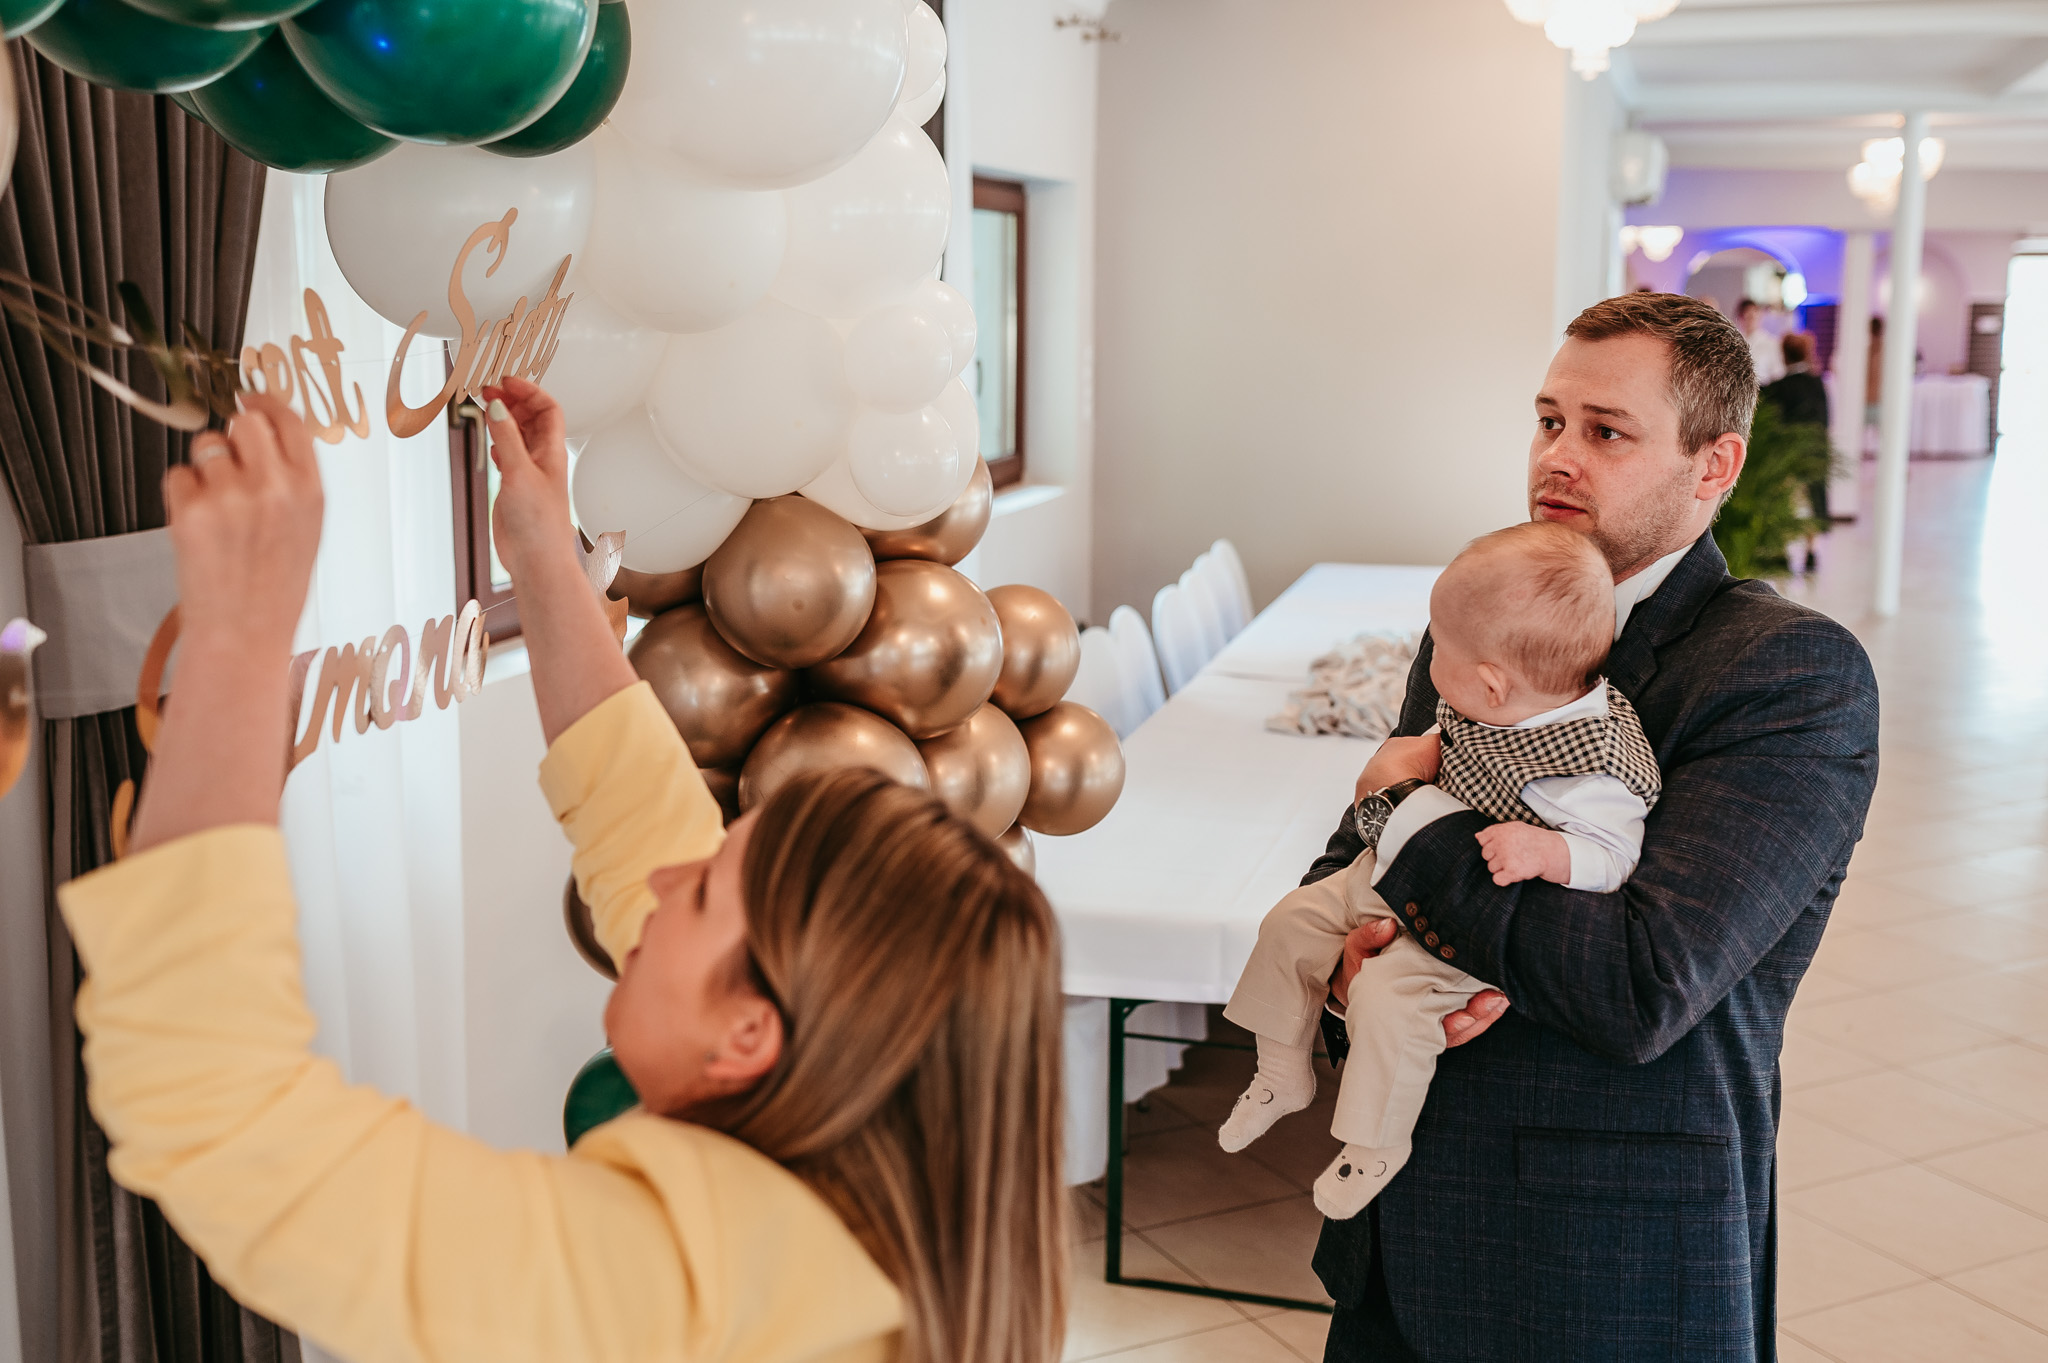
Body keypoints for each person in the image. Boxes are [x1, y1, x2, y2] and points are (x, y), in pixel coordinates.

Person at [55, 381, 1069, 1363]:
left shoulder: (680, 1287)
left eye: (705, 892)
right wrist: (545, 553)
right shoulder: (875, 1204)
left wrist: (237, 632)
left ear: (750, 1034)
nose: (668, 882)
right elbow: (648, 823)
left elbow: (223, 1108)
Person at [1308, 292, 1879, 1362]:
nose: (1556, 457)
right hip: (1395, 1240)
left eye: (1606, 432)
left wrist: (1414, 822)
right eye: (1548, 421)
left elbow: (1638, 982)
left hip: (1598, 1270)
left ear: (1713, 465)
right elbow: (1351, 863)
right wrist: (1344, 971)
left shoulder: (1785, 672)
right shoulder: (1488, 608)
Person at [1217, 523, 1661, 1222]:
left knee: (1389, 1001)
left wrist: (1545, 852)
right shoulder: (1495, 696)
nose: (1430, 665)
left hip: (1462, 930)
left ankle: (1373, 1144)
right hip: (1384, 872)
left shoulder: (1590, 761)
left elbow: (1616, 856)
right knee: (1291, 921)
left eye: (1441, 653)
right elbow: (1437, 750)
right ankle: (1279, 1068)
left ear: (1490, 682)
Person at [1761, 331, 1833, 524]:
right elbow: (1825, 420)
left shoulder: (1778, 388)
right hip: (1816, 450)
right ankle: (1814, 537)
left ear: (1784, 355)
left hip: (1787, 454)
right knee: (1814, 496)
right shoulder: (1817, 384)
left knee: (1787, 497)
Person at [1736, 298, 1784, 385]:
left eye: (1752, 316)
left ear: (1759, 316)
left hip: (1763, 388)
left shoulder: (1771, 342)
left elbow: (1777, 373)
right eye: (1746, 316)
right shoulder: (1735, 342)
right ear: (1740, 317)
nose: (1749, 320)